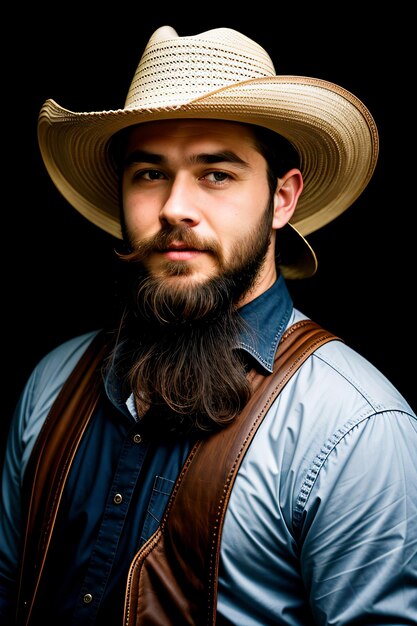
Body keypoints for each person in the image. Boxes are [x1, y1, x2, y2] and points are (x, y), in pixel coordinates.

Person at [1, 24, 416, 626]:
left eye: (216, 174)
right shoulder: (52, 383)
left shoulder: (355, 428)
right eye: (149, 174)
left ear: (282, 198)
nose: (174, 207)